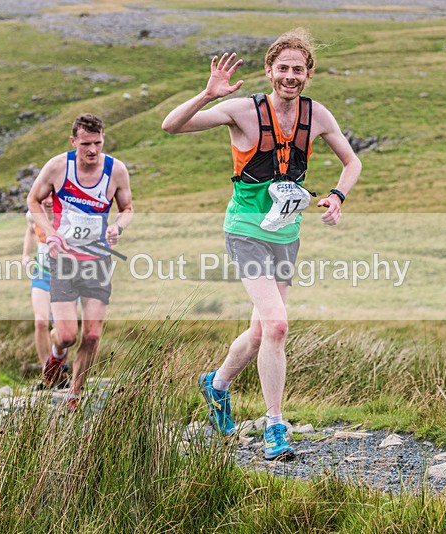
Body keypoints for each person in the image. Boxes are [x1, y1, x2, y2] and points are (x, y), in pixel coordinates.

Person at [162, 28, 361, 461]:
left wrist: (337, 196)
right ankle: (275, 427)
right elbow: (171, 125)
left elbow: (353, 161)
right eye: (283, 68)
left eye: (299, 69)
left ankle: (215, 385)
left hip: (285, 236)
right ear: (270, 70)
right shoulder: (242, 111)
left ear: (308, 74)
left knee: (257, 334)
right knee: (277, 325)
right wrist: (207, 93)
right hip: (245, 231)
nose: (290, 76)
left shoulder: (317, 115)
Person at [26, 113, 134, 411]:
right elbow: (33, 200)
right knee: (67, 335)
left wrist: (117, 227)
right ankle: (56, 355)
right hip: (64, 259)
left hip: (98, 260)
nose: (93, 150)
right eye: (86, 144)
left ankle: (75, 394)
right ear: (74, 141)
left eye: (98, 143)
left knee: (93, 333)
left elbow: (127, 208)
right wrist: (49, 234)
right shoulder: (59, 167)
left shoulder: (116, 171)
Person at [21, 193, 63, 386]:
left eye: (51, 196)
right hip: (42, 275)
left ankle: (60, 368)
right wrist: (25, 255)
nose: (47, 201)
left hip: (65, 278)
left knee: (62, 329)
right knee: (40, 322)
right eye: (43, 196)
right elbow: (30, 231)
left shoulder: (66, 214)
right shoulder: (32, 215)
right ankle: (47, 373)